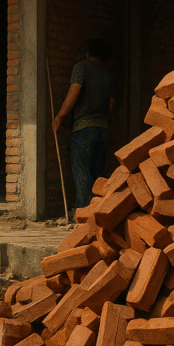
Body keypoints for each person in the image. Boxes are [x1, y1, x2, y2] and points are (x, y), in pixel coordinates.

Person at [51, 39, 117, 216]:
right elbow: (111, 105)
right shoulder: (109, 75)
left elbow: (74, 92)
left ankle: (83, 210)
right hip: (103, 129)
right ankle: (97, 211)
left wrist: (60, 116)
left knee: (82, 170)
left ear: (88, 53)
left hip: (84, 128)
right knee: (98, 173)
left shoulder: (81, 67)